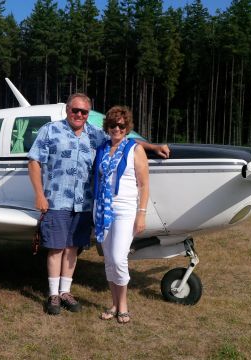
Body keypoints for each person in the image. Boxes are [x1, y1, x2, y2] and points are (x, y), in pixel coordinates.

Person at [27, 94, 168, 315]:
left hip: (84, 203)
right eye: (75, 110)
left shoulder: (94, 133)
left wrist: (152, 146)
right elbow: (34, 161)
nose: (79, 115)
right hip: (56, 199)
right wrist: (39, 195)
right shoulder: (50, 130)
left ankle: (66, 291)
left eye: (84, 112)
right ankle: (53, 294)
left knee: (73, 248)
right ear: (67, 110)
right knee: (56, 248)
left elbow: (121, 138)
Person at [93, 105, 149, 324]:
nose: (116, 128)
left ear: (127, 128)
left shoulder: (135, 149)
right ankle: (113, 303)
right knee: (108, 259)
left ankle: (123, 304)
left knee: (118, 257)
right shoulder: (102, 148)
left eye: (121, 125)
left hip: (125, 209)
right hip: (102, 209)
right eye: (113, 125)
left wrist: (141, 214)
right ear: (107, 127)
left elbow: (144, 186)